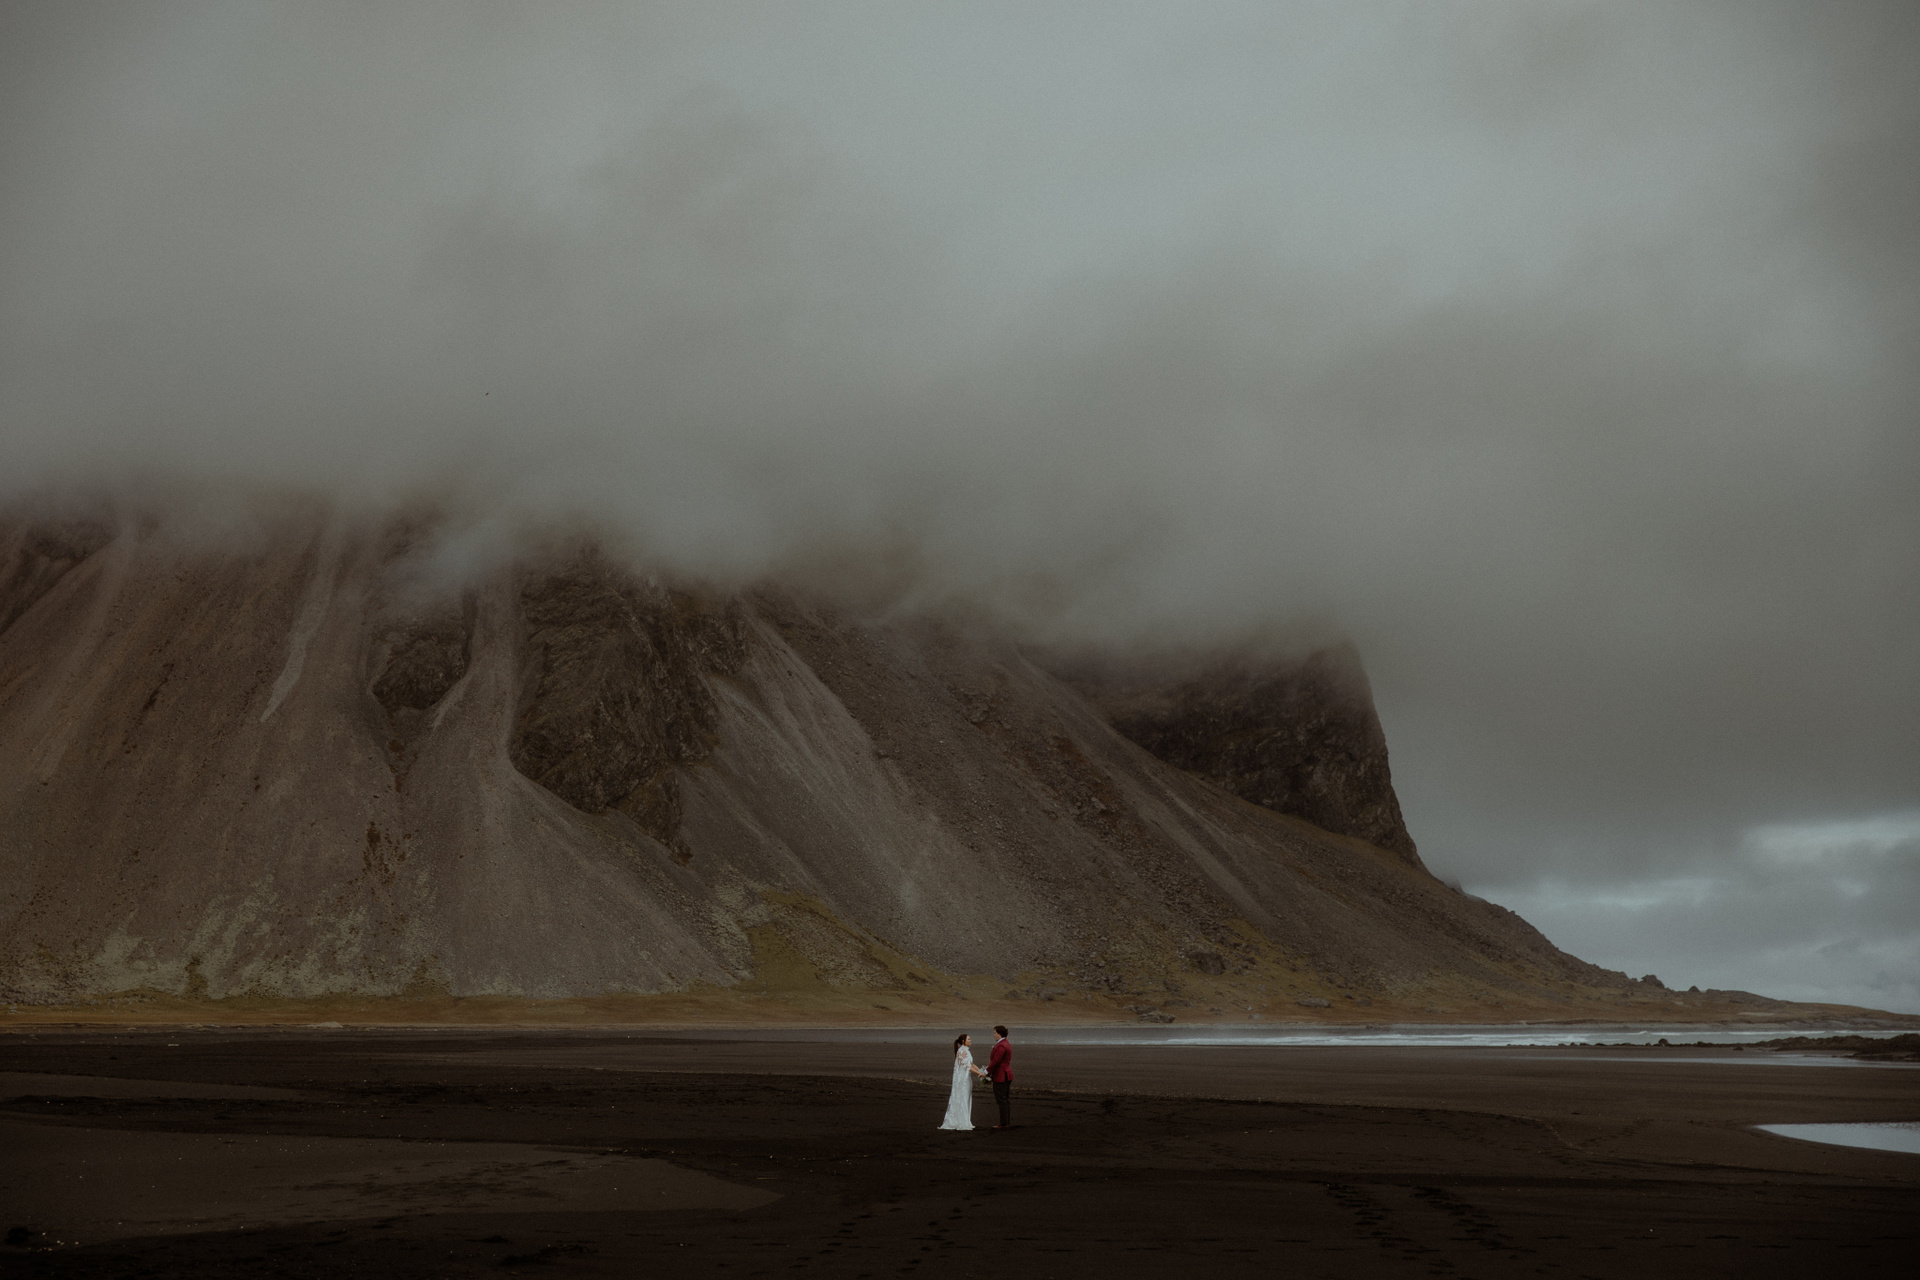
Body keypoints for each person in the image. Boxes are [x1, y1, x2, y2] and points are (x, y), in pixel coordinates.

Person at [939, 1032, 986, 1130]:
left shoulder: (966, 1051)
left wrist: (982, 1071)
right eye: (968, 1039)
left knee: (966, 1098)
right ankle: (961, 1121)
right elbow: (967, 1066)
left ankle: (965, 1120)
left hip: (966, 1078)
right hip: (962, 1080)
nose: (970, 1040)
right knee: (962, 1098)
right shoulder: (961, 1051)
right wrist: (979, 1073)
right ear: (963, 1041)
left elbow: (972, 1064)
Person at [986, 1025, 1013, 1129]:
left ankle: (1003, 1123)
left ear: (999, 1034)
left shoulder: (1001, 1045)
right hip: (1007, 1074)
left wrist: (986, 1071)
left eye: (995, 1033)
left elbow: (996, 1060)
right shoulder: (1006, 1043)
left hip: (1001, 1075)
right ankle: (1006, 1122)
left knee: (1001, 1100)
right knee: (1005, 1099)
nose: (994, 1035)